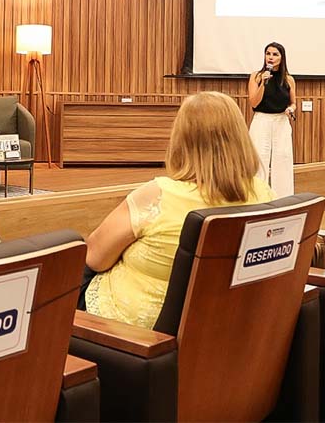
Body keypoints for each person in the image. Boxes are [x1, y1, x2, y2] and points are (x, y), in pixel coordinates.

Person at [82, 92, 275, 329]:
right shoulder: (262, 192)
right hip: (224, 324)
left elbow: (95, 257)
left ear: (182, 140)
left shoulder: (158, 194)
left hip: (139, 337)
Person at [247, 42, 298, 197]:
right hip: (262, 120)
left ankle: (283, 198)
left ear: (282, 58)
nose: (270, 57)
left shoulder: (288, 79)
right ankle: (257, 196)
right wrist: (263, 82)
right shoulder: (256, 76)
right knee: (259, 157)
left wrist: (291, 109)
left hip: (281, 121)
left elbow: (293, 103)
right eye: (268, 53)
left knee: (283, 158)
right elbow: (253, 102)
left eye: (275, 54)